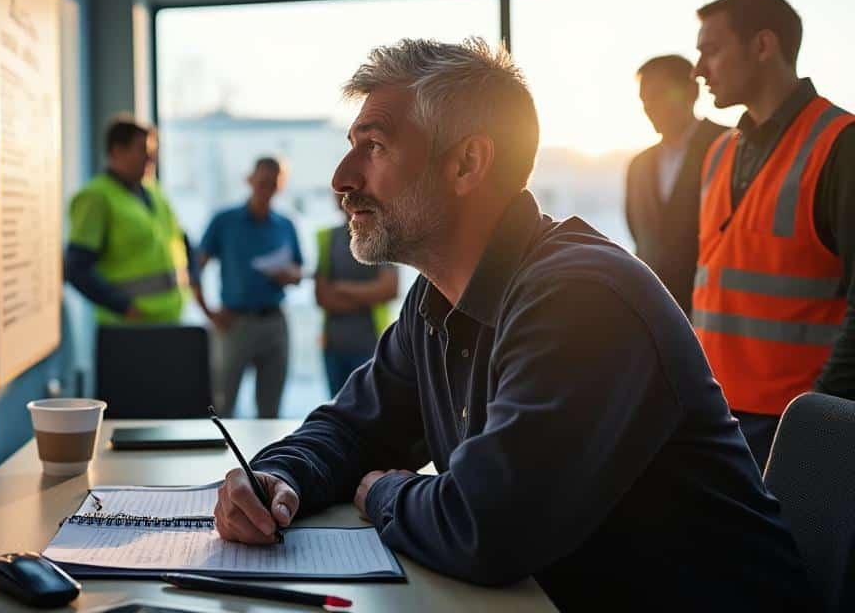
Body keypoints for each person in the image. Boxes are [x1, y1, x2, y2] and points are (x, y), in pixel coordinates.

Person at [212, 38, 809, 610]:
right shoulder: (436, 299)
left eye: (374, 146)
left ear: (467, 162)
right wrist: (278, 475)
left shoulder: (582, 299)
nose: (343, 178)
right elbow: (352, 428)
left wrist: (382, 491)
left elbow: (484, 526)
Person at [691, 0, 855, 467]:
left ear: (763, 46)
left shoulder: (840, 146)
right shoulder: (719, 152)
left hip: (799, 420)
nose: (699, 70)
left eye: (712, 50)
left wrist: (819, 416)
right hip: (719, 414)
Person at [193, 157, 302, 418]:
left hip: (274, 322)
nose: (266, 188)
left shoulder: (285, 225)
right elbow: (196, 267)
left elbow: (299, 271)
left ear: (280, 186)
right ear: (250, 180)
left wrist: (288, 275)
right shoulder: (225, 221)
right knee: (222, 405)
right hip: (234, 324)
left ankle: (266, 460)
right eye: (262, 181)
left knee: (271, 409)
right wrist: (208, 312)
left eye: (272, 183)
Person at [64, 115, 192, 324]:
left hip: (170, 319)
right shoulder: (96, 197)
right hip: (127, 328)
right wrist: (123, 307)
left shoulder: (154, 193)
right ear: (117, 151)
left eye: (152, 151)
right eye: (142, 150)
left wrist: (193, 277)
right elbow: (76, 268)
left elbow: (180, 239)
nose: (151, 158)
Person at [624, 55, 727, 316]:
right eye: (644, 100)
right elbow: (642, 237)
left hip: (715, 313)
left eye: (659, 95)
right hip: (657, 315)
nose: (650, 107)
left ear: (692, 91)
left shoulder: (731, 146)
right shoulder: (639, 166)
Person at [315, 193, 398, 395]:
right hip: (334, 346)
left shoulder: (381, 234)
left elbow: (389, 289)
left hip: (372, 345)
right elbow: (322, 297)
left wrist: (343, 289)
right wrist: (367, 295)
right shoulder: (327, 237)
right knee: (336, 409)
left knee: (372, 408)